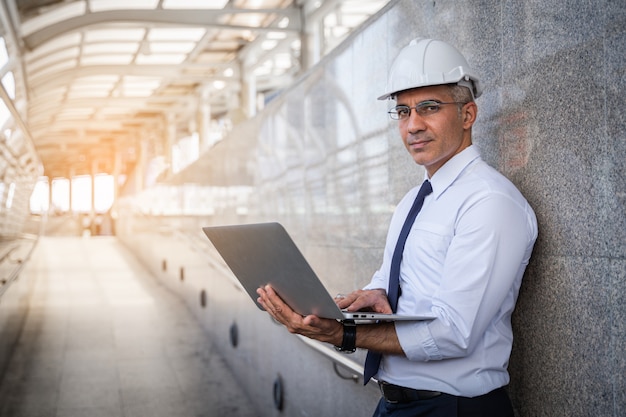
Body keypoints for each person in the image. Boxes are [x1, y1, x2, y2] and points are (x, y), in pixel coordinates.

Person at [257, 38, 538, 417]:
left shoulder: (490, 203)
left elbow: (453, 332)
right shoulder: (415, 199)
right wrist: (373, 294)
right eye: (403, 112)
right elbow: (399, 276)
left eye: (430, 108)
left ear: (468, 114)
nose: (413, 125)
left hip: (454, 408)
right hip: (394, 402)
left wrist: (343, 334)